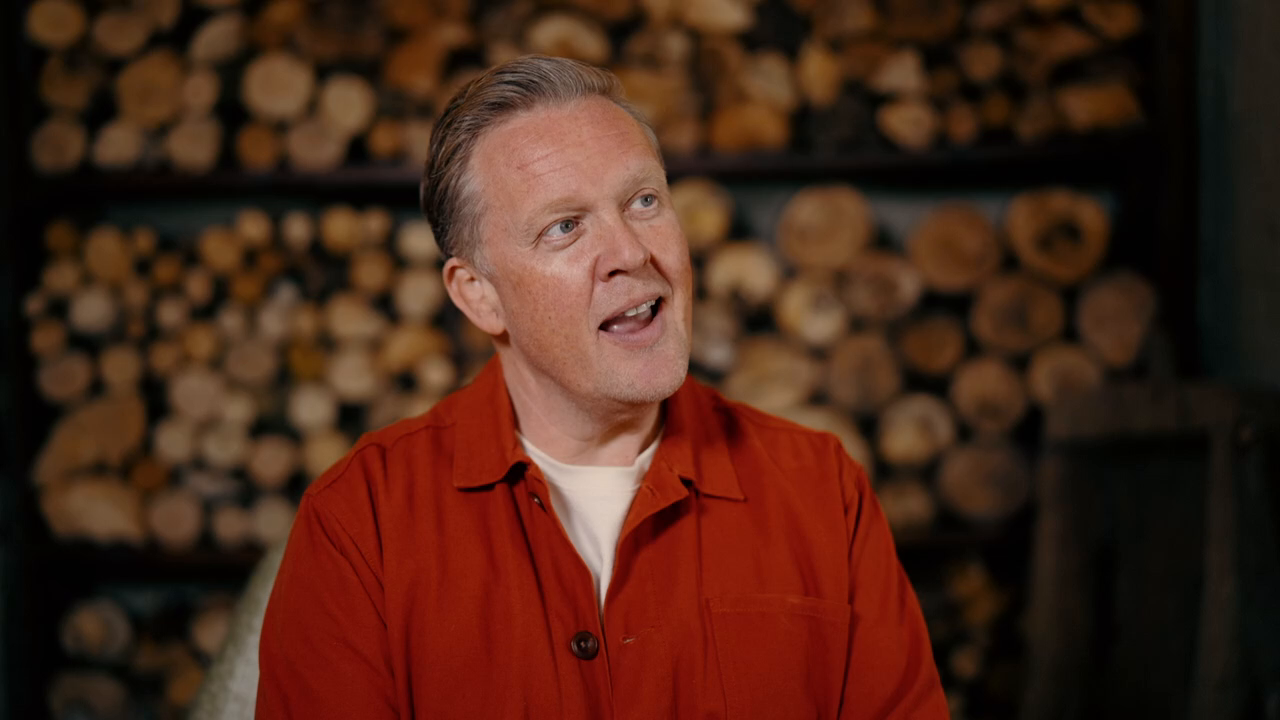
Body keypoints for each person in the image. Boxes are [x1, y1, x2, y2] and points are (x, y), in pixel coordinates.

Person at [256, 55, 948, 719]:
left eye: (644, 201)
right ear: (480, 296)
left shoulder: (821, 490)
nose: (630, 252)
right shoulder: (360, 524)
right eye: (565, 227)